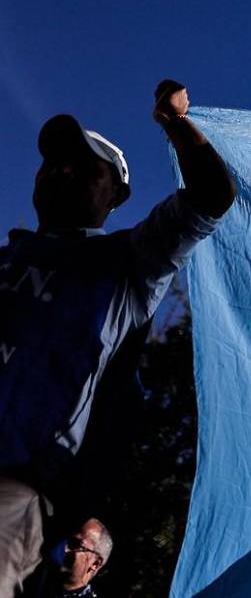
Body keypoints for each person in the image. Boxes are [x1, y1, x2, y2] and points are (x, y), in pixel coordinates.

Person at [0, 81, 236, 598]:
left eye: (85, 169)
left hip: (14, 483)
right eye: (52, 163)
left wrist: (175, 123)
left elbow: (213, 195)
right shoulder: (6, 259)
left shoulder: (128, 264)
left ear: (115, 196)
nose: (62, 171)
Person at [23, 518, 112, 598]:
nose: (65, 549)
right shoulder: (36, 582)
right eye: (69, 541)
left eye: (76, 545)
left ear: (95, 564)